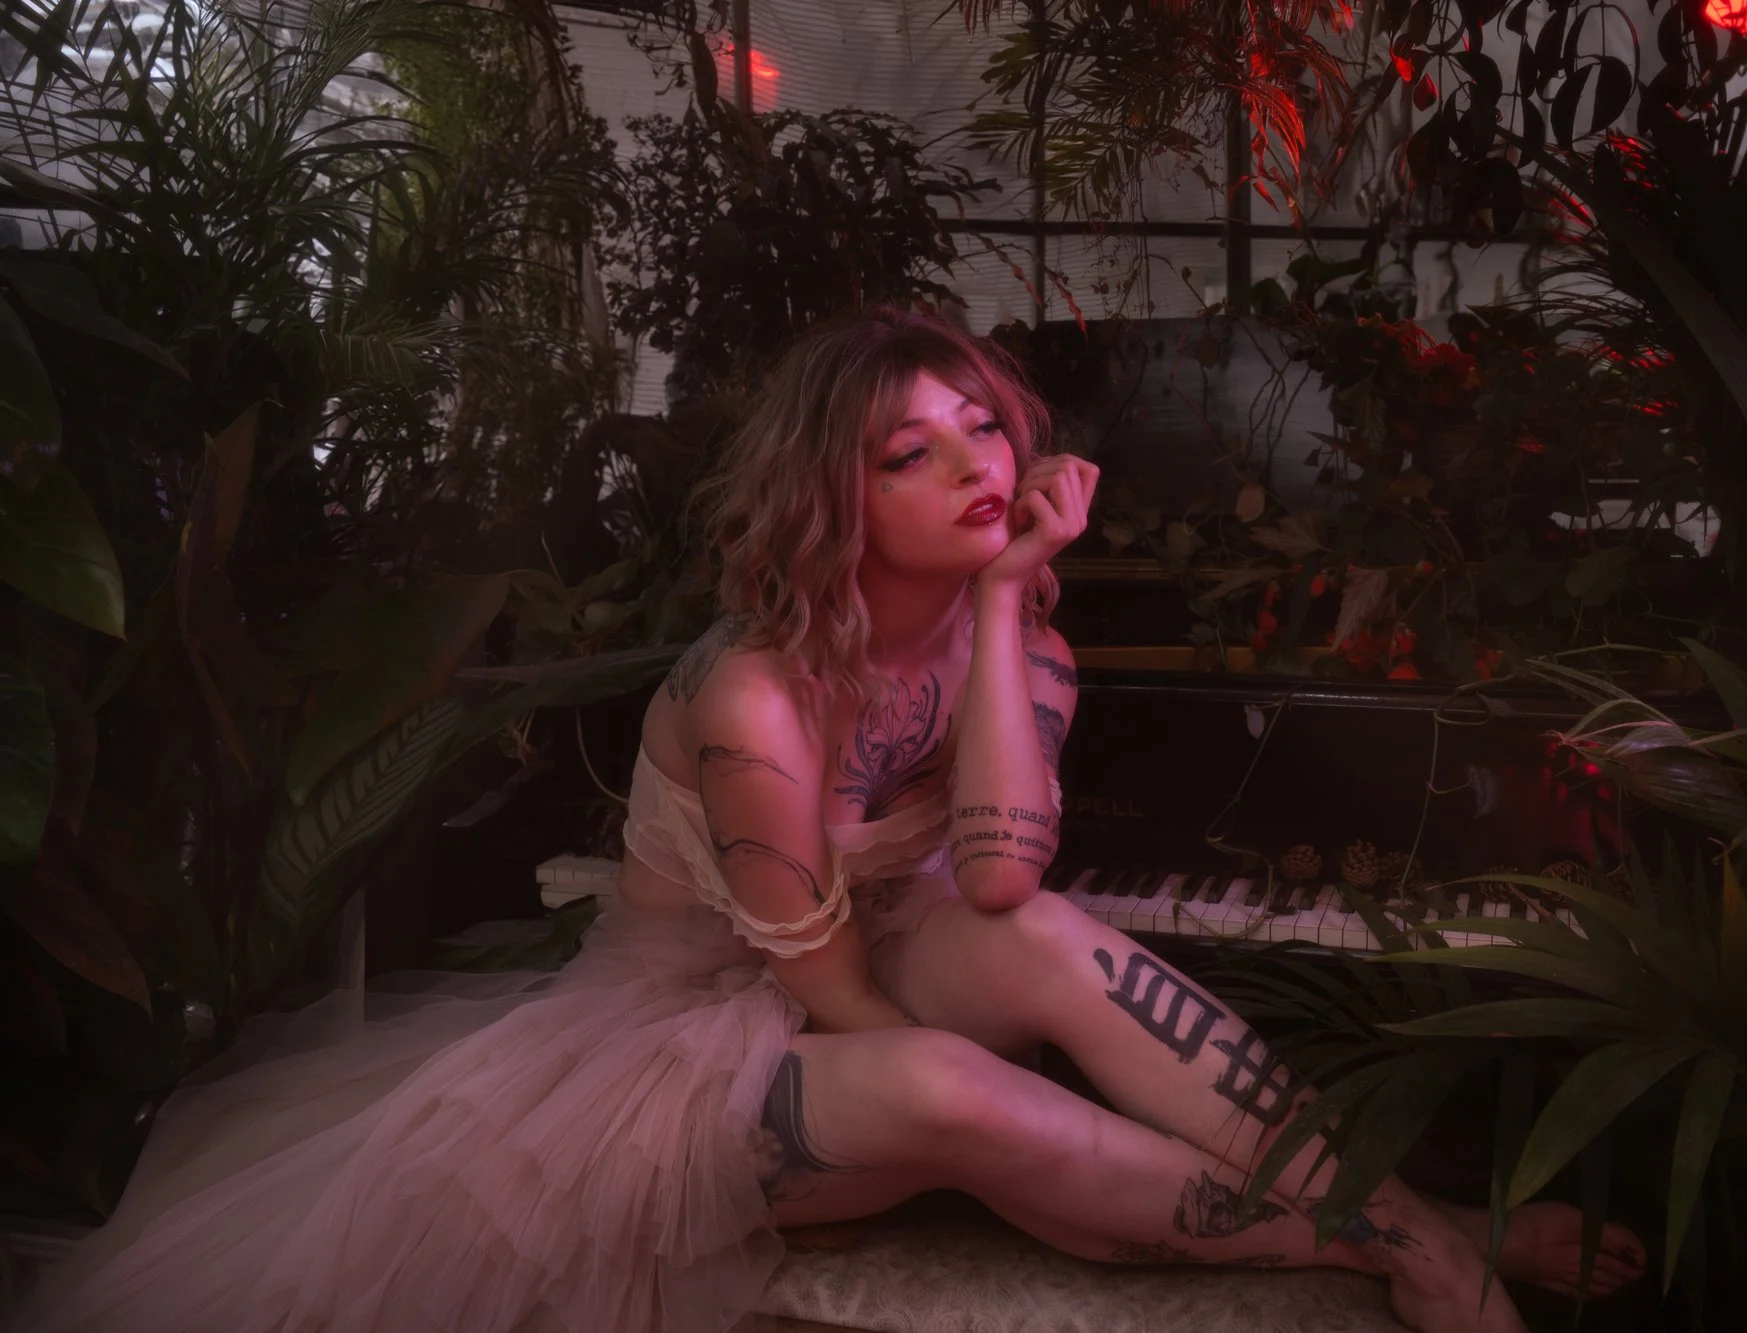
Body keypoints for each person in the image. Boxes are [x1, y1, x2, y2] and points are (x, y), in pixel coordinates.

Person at [10, 308, 1643, 1333]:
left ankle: (1412, 1222)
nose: (972, 464)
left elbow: (998, 872)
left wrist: (999, 606)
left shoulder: (1024, 639)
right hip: (672, 1062)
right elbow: (841, 999)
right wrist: (1006, 1131)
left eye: (985, 427)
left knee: (1035, 932)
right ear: (832, 497)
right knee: (949, 1082)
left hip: (873, 971)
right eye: (909, 452)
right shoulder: (756, 696)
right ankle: (1392, 1244)